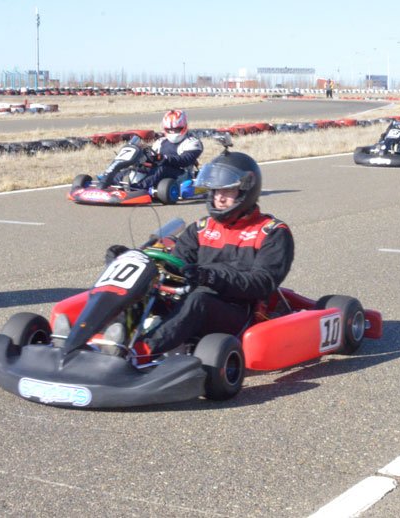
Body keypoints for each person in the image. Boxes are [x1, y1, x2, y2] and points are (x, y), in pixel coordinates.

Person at [132, 151, 295, 355]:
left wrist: (210, 277)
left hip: (239, 310)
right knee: (141, 291)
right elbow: (176, 266)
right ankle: (109, 340)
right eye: (216, 191)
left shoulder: (272, 232)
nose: (219, 198)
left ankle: (142, 352)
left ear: (246, 191)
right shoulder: (201, 228)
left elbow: (262, 283)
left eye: (228, 191)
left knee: (198, 300)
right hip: (191, 301)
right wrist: (138, 261)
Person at [97, 109, 203, 189]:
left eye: (176, 129)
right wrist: (143, 156)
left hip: (182, 175)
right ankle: (108, 181)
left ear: (184, 126)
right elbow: (153, 157)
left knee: (161, 169)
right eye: (169, 129)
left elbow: (185, 160)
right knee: (135, 168)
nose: (172, 132)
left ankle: (137, 188)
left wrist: (164, 158)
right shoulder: (161, 142)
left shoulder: (192, 142)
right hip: (158, 171)